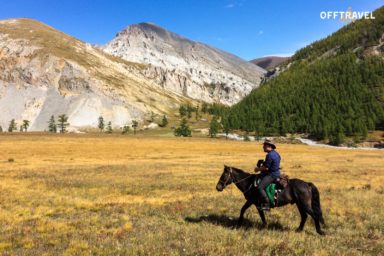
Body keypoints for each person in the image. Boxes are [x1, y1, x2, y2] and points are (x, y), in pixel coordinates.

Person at [254, 139, 281, 210]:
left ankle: (267, 204)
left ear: (269, 146)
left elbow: (266, 168)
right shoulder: (276, 153)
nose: (263, 147)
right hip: (277, 173)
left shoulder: (269, 155)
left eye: (264, 145)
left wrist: (258, 169)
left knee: (260, 187)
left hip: (272, 175)